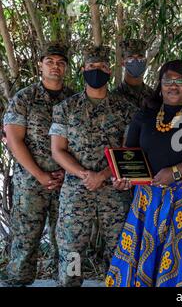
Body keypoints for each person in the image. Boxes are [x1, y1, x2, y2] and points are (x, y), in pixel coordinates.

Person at [105, 59, 182, 287]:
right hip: (148, 202)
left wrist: (175, 172)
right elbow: (130, 156)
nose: (173, 86)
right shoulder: (145, 115)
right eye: (167, 80)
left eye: (180, 81)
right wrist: (123, 179)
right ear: (159, 84)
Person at [49, 44, 135, 287]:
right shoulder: (65, 108)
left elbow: (129, 150)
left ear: (110, 71)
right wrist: (85, 174)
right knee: (72, 250)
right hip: (77, 191)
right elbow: (58, 149)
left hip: (115, 192)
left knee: (119, 249)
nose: (96, 71)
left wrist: (105, 174)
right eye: (91, 67)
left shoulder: (126, 109)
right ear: (82, 70)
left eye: (102, 67)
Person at [1, 42, 75, 286]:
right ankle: (17, 280)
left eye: (61, 63)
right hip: (30, 183)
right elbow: (14, 140)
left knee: (69, 239)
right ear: (40, 65)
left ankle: (67, 282)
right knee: (25, 239)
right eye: (50, 62)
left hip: (66, 182)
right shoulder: (25, 98)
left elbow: (81, 142)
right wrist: (40, 175)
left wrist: (67, 172)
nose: (55, 67)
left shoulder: (75, 99)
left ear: (66, 68)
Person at [111, 39, 154, 109]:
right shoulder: (114, 97)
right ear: (122, 62)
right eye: (130, 58)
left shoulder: (153, 95)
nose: (136, 62)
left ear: (145, 61)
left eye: (140, 57)